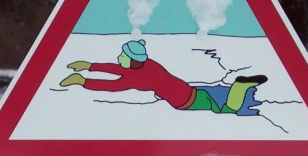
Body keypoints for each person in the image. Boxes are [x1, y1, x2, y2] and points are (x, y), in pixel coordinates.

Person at [59, 39, 267, 114]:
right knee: (216, 95)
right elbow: (115, 69)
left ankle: (240, 87)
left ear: (132, 60)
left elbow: (111, 86)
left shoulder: (135, 78)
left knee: (226, 108)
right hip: (190, 90)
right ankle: (236, 88)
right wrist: (88, 66)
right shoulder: (147, 65)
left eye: (122, 55)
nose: (118, 58)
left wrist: (83, 81)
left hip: (187, 101)